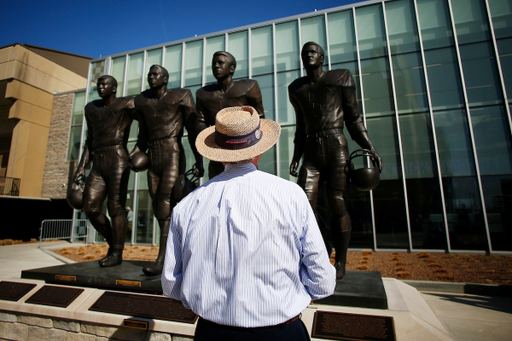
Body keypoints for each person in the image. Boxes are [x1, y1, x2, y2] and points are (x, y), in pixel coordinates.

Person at [162, 106, 336, 341]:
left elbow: (171, 285)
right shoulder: (290, 195)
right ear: (259, 150)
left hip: (212, 333)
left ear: (218, 151)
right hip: (280, 332)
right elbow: (322, 282)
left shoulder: (187, 205)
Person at [288, 42, 382, 280]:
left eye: (313, 51)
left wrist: (370, 147)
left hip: (335, 144)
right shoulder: (296, 88)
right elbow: (301, 127)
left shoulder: (340, 77)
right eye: (305, 52)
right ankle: (323, 247)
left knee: (337, 202)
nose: (309, 54)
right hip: (310, 150)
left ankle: (341, 261)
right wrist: (296, 157)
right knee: (305, 207)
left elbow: (354, 119)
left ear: (322, 57)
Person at [130, 65, 203, 276]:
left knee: (165, 204)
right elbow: (143, 135)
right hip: (153, 156)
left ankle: (162, 260)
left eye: (155, 74)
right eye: (149, 74)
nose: (150, 77)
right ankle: (174, 256)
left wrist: (199, 160)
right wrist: (133, 153)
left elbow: (192, 130)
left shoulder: (181, 95)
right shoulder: (143, 101)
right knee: (160, 209)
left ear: (165, 78)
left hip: (172, 152)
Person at [72, 75, 136, 267]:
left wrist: (140, 146)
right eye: (98, 84)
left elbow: (149, 117)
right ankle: (114, 244)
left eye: (104, 84)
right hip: (98, 162)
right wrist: (81, 167)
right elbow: (89, 142)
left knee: (115, 207)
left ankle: (116, 253)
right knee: (90, 207)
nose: (100, 87)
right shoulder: (90, 108)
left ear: (114, 88)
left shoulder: (127, 104)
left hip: (117, 158)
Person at [195, 51, 265, 179]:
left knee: (246, 189)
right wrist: (210, 135)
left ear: (232, 68)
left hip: (243, 151)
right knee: (217, 190)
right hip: (218, 151)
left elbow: (260, 118)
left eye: (220, 63)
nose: (216, 66)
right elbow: (200, 121)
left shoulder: (249, 87)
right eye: (214, 63)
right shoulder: (203, 94)